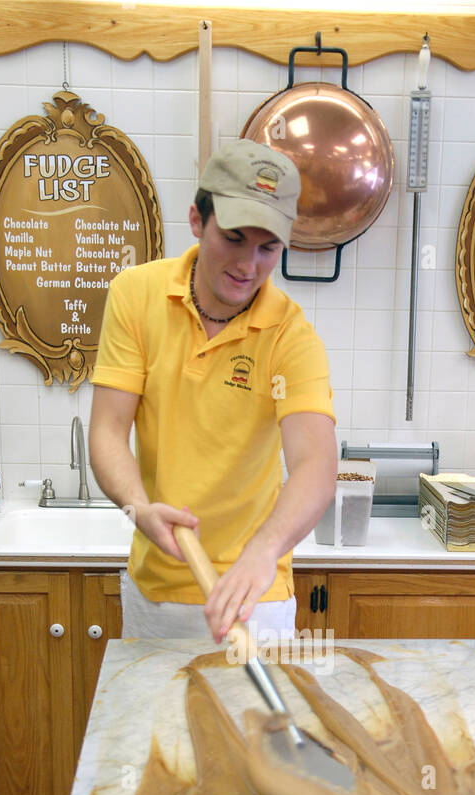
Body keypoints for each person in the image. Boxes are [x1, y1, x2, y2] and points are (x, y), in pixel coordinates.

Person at [89, 139, 337, 644]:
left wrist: (264, 552)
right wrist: (138, 506)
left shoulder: (291, 335)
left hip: (256, 598)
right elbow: (109, 431)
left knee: (252, 724)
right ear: (197, 221)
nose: (248, 264)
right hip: (158, 589)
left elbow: (316, 464)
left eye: (268, 247)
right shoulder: (135, 296)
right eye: (233, 237)